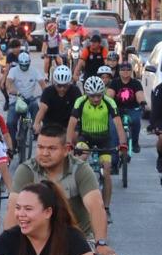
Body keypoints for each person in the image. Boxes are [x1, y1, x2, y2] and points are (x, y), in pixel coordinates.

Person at [7, 126, 115, 255]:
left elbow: (96, 206)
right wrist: (8, 248)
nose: (44, 153)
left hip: (79, 241)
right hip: (37, 241)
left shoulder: (80, 170)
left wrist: (101, 243)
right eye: (40, 147)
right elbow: (13, 209)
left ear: (66, 150)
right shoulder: (27, 170)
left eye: (52, 148)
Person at [67, 76, 125, 208]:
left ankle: (106, 207)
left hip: (104, 140)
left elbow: (118, 124)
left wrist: (123, 143)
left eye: (99, 96)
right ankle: (75, 196)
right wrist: (68, 143)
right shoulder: (80, 102)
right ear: (87, 94)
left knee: (107, 169)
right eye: (92, 96)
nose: (96, 99)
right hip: (85, 137)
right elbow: (72, 123)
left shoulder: (109, 102)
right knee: (79, 160)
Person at [110, 61, 145, 154]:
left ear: (131, 71)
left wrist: (142, 102)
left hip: (132, 109)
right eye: (123, 69)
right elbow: (109, 95)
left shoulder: (136, 83)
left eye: (128, 69)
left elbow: (139, 95)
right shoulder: (114, 82)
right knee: (113, 128)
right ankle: (114, 150)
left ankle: (134, 143)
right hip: (117, 110)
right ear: (119, 71)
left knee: (136, 121)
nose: (125, 71)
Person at [33, 64, 78, 135]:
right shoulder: (48, 91)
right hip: (51, 125)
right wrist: (37, 123)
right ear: (54, 83)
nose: (62, 89)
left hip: (69, 125)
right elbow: (42, 109)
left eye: (65, 86)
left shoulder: (75, 91)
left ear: (69, 83)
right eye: (59, 86)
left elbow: (81, 108)